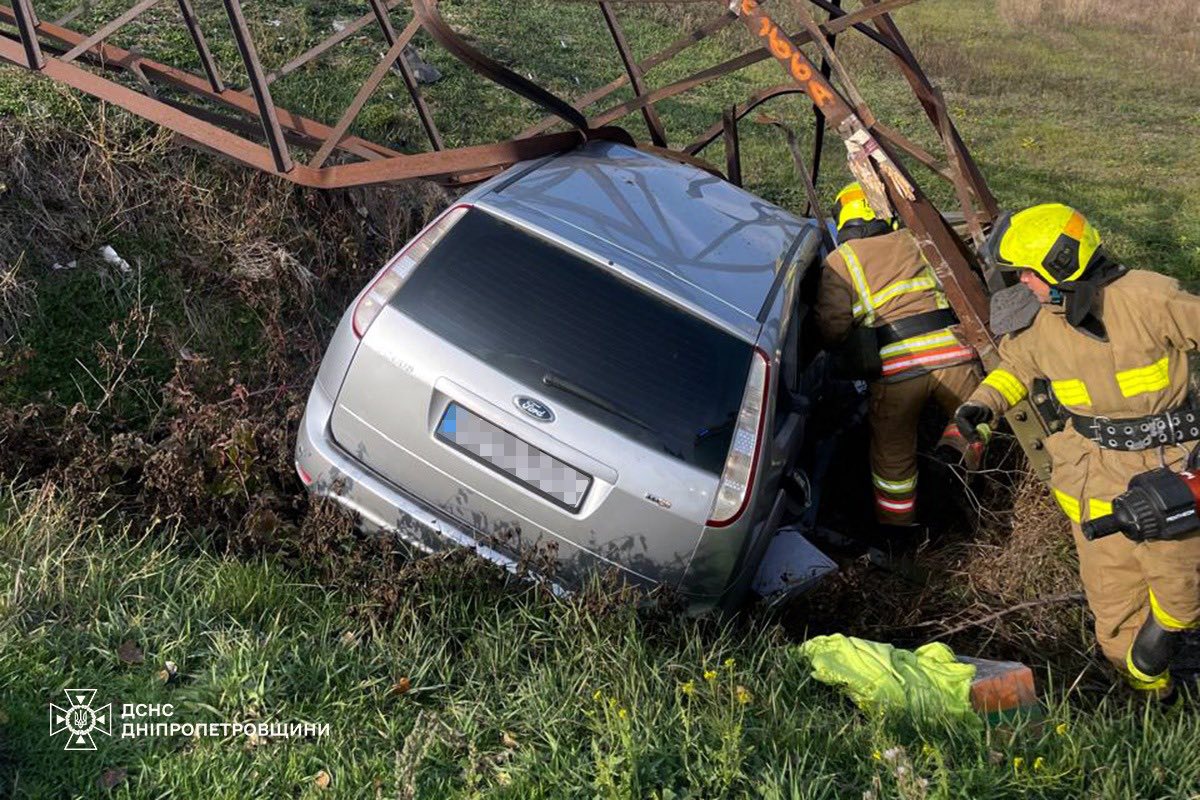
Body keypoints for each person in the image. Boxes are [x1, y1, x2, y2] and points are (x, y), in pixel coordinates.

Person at [955, 203, 1200, 698]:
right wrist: (983, 404)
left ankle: (1172, 658)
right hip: (1091, 476)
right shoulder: (1042, 321)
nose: (1022, 280)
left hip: (1168, 471)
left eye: (1028, 269)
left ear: (1061, 263)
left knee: (1179, 591)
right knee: (1112, 604)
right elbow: (1017, 367)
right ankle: (1149, 705)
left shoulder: (1151, 298)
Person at [815, 183, 982, 537]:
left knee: (892, 456)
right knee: (977, 415)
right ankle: (954, 457)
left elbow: (833, 327)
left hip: (896, 373)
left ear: (843, 220)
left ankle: (899, 529)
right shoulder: (914, 239)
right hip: (955, 357)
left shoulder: (839, 261)